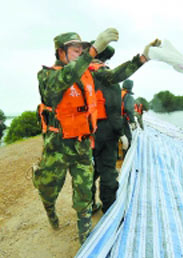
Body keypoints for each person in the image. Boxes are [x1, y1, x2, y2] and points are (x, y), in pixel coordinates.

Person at [33, 28, 118, 244]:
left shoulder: (87, 72)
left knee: (84, 192)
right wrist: (93, 51)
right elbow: (65, 77)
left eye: (82, 49)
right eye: (75, 49)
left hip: (81, 144)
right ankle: (51, 211)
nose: (80, 53)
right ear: (61, 53)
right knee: (48, 189)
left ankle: (86, 238)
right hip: (57, 145)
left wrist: (142, 59)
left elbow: (116, 76)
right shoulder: (48, 75)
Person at [88, 38, 160, 214]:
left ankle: (89, 206)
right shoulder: (103, 75)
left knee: (89, 172)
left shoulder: (80, 74)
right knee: (108, 174)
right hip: (104, 131)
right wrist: (121, 132)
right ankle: (109, 211)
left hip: (83, 132)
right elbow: (113, 109)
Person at [121, 79, 144, 152]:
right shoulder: (128, 97)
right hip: (121, 120)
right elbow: (129, 110)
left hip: (110, 119)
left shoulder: (117, 93)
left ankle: (117, 156)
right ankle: (126, 155)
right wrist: (132, 122)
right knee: (128, 137)